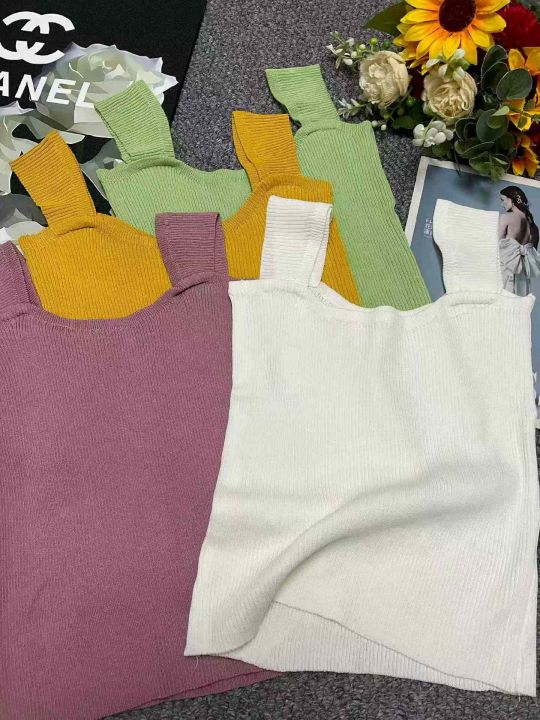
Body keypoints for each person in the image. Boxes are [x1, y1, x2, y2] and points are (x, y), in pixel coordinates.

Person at [498, 186, 540, 295]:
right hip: (522, 275)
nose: (502, 204)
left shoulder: (506, 217)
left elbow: (495, 244)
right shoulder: (533, 225)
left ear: (512, 200)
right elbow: (533, 251)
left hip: (506, 270)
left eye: (503, 200)